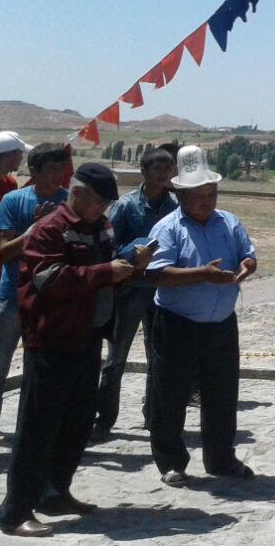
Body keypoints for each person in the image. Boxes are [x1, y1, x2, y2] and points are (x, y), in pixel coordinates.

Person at [0, 163, 147, 537]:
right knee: (38, 427)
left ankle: (54, 493)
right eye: (100, 201)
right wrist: (105, 273)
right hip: (53, 339)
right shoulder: (49, 229)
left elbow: (103, 273)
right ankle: (16, 512)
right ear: (77, 194)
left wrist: (131, 266)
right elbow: (48, 279)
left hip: (88, 336)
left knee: (77, 421)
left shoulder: (101, 226)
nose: (104, 209)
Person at [144, 145, 257, 487]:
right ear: (181, 196)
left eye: (212, 194)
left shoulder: (229, 222)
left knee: (222, 393)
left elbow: (248, 255)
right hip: (177, 323)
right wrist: (202, 275)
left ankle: (221, 458)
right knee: (171, 394)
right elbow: (156, 274)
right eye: (199, 196)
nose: (207, 201)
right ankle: (171, 461)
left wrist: (246, 266)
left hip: (221, 323)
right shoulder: (167, 228)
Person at [90, 147, 178, 443]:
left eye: (167, 168)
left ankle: (153, 417)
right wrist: (132, 254)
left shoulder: (175, 206)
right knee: (116, 359)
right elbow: (109, 246)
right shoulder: (127, 205)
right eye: (157, 168)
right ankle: (105, 419)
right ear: (144, 172)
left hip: (161, 290)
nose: (163, 174)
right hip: (131, 290)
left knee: (159, 359)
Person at [0, 143, 69, 459]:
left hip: (50, 301)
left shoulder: (69, 203)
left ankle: (31, 439)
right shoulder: (13, 200)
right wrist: (36, 228)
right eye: (52, 169)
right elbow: (5, 252)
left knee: (41, 373)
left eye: (62, 169)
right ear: (34, 172)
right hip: (12, 297)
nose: (58, 175)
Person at [0, 132, 29, 305]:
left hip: (0, 267)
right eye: (20, 154)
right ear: (8, 155)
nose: (21, 158)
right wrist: (4, 215)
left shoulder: (10, 184)